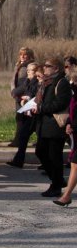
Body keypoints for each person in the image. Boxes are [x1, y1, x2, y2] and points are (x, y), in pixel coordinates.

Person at [33, 57, 72, 198]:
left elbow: (60, 104)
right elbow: (39, 99)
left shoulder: (62, 83)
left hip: (55, 126)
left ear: (56, 68)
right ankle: (58, 180)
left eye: (48, 66)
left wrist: (41, 108)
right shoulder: (45, 82)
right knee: (41, 152)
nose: (45, 68)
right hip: (44, 125)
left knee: (54, 157)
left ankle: (56, 185)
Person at [7, 62, 40, 168]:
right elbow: (16, 91)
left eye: (30, 70)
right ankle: (18, 160)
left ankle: (19, 160)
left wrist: (27, 98)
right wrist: (21, 98)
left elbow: (36, 95)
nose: (28, 72)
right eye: (28, 70)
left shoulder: (37, 82)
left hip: (35, 115)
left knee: (29, 137)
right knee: (23, 136)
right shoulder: (27, 81)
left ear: (35, 72)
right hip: (28, 114)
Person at [54, 66, 77, 206]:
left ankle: (66, 195)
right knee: (75, 165)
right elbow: (72, 111)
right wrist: (69, 123)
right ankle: (66, 195)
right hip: (75, 132)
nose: (73, 84)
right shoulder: (74, 94)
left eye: (75, 81)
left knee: (75, 164)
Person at [9, 48, 35, 147]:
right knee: (20, 118)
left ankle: (18, 140)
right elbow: (14, 81)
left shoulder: (30, 66)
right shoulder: (19, 66)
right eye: (21, 54)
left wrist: (16, 93)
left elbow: (25, 84)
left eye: (25, 55)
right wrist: (13, 92)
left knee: (22, 119)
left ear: (30, 56)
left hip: (24, 96)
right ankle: (18, 139)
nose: (22, 57)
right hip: (18, 95)